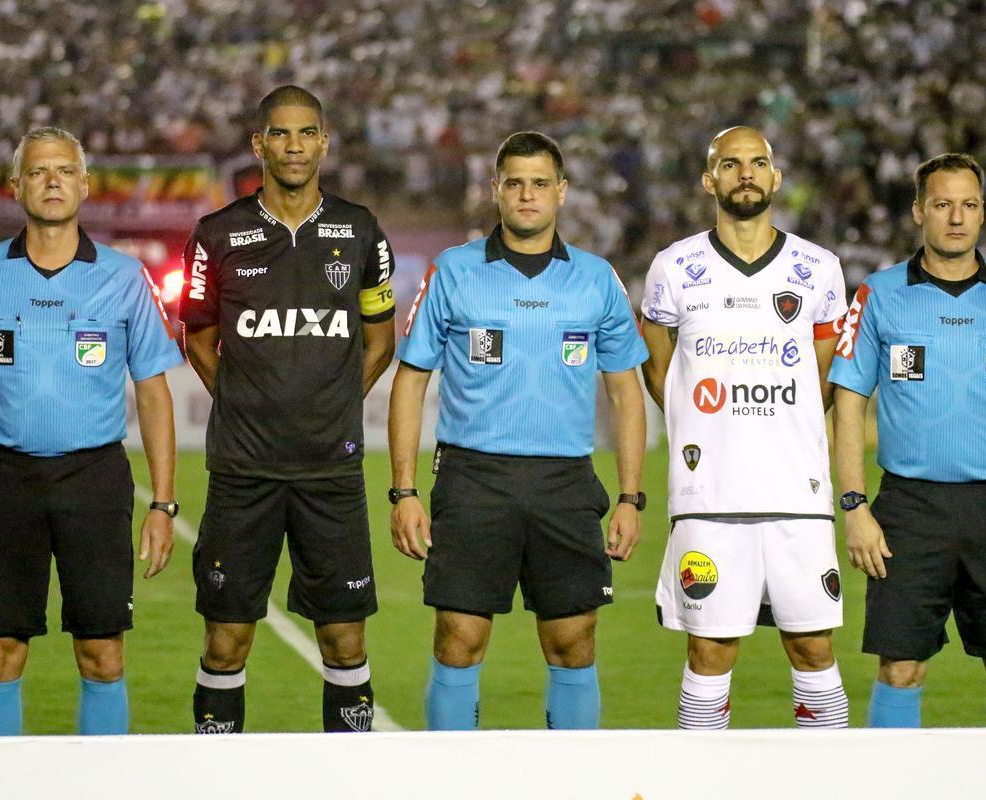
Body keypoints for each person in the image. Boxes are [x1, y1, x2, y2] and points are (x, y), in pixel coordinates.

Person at [0, 126, 183, 736]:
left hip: (94, 479)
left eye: (65, 170)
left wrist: (164, 502)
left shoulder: (123, 278)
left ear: (86, 186)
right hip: (5, 480)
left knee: (102, 652)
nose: (52, 182)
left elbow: (153, 390)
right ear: (16, 187)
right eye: (39, 171)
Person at [388, 131, 647, 730]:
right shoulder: (452, 272)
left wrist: (631, 498)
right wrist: (403, 492)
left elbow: (625, 391)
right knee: (459, 637)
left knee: (574, 640)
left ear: (561, 192)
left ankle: (574, 784)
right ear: (496, 190)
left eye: (539, 183)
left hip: (564, 480)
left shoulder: (596, 278)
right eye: (514, 183)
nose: (527, 195)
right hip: (474, 476)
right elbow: (410, 381)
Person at [179, 85, 396, 734]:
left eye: (307, 134)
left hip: (331, 474)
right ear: (259, 144)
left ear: (324, 142)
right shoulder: (217, 234)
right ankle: (215, 778)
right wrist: (245, 399)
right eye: (281, 134)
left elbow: (381, 340)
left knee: (347, 645)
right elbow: (195, 335)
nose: (294, 146)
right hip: (243, 472)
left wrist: (332, 403)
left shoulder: (359, 230)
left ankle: (349, 780)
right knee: (226, 642)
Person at [829, 152, 986, 728]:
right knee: (900, 668)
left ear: (984, 213)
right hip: (909, 510)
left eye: (968, 205)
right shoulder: (880, 294)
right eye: (942, 205)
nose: (955, 218)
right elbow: (847, 404)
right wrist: (855, 507)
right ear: (919, 212)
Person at [640, 126, 849, 729]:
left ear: (776, 178)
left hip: (796, 495)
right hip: (709, 496)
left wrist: (786, 423)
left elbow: (826, 376)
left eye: (758, 163)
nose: (746, 174)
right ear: (711, 180)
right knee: (708, 652)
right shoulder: (674, 266)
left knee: (813, 650)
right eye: (731, 165)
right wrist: (698, 424)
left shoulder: (819, 268)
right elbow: (658, 366)